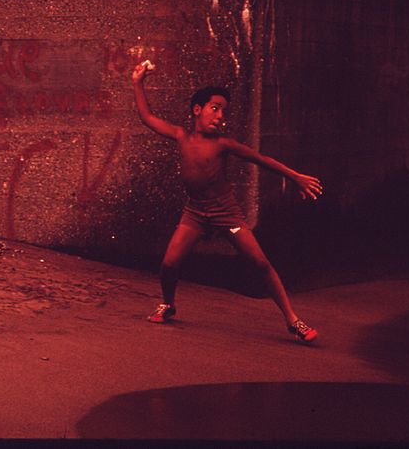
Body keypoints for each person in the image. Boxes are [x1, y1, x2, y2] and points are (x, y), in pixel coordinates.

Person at [131, 61, 323, 343]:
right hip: (195, 213)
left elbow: (262, 160)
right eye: (215, 108)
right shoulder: (182, 136)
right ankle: (168, 304)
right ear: (197, 110)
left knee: (260, 263)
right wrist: (137, 82)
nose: (221, 116)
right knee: (169, 264)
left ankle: (293, 320)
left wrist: (295, 177)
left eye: (224, 111)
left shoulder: (223, 144)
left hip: (226, 214)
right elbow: (147, 117)